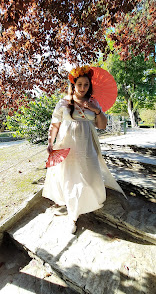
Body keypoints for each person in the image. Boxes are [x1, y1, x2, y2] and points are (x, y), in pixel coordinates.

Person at [42, 65, 126, 233]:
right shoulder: (63, 102)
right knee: (71, 180)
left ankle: (87, 202)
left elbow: (102, 125)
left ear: (90, 86)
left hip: (88, 146)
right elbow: (55, 124)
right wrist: (50, 142)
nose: (82, 88)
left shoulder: (94, 102)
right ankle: (72, 216)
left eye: (86, 85)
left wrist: (96, 110)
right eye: (79, 84)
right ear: (73, 85)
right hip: (68, 146)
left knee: (90, 174)